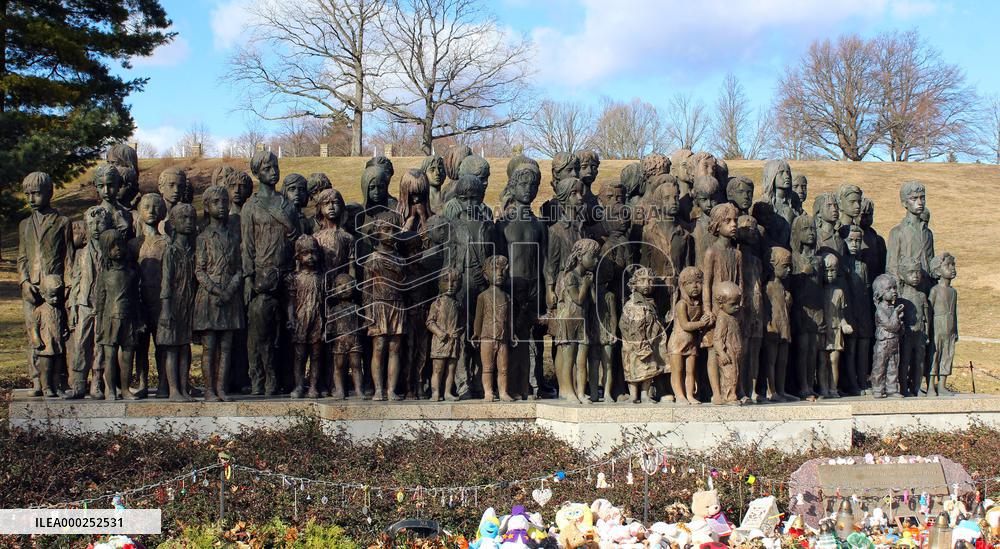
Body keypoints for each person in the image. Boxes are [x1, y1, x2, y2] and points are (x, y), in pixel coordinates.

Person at [18, 172, 74, 397]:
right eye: (27, 195)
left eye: (36, 193)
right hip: (31, 287)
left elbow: (68, 257)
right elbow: (22, 257)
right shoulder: (24, 224)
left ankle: (59, 381)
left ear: (49, 193)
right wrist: (24, 281)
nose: (31, 199)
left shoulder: (62, 222)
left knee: (57, 333)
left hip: (54, 286)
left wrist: (68, 286)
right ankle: (36, 381)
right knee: (34, 333)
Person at [194, 186, 244, 401]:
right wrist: (216, 291)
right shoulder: (203, 237)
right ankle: (209, 389)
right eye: (216, 202)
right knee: (209, 346)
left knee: (226, 347)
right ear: (207, 206)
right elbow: (199, 270)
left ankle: (221, 388)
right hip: (209, 298)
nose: (221, 206)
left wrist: (229, 290)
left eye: (224, 201)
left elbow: (239, 269)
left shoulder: (233, 237)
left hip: (230, 297)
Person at [94, 229, 144, 400]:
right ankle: (111, 391)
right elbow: (100, 301)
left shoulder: (132, 272)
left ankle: (125, 389)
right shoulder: (104, 275)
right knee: (110, 357)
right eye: (112, 246)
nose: (117, 249)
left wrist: (139, 320)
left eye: (120, 244)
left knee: (128, 357)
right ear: (106, 250)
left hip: (129, 319)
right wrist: (99, 325)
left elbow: (136, 298)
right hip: (110, 319)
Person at [285, 235, 325, 399]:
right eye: (305, 253)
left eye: (313, 253)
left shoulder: (322, 278)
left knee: (316, 355)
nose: (310, 257)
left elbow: (325, 303)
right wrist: (291, 319)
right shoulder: (295, 278)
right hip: (301, 319)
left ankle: (313, 386)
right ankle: (299, 385)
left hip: (317, 319)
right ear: (298, 256)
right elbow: (291, 302)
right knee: (299, 355)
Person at [668, 267, 712, 405]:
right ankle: (679, 395)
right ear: (682, 286)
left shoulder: (699, 305)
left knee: (690, 371)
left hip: (691, 343)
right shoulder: (681, 304)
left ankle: (689, 394)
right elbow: (685, 325)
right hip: (678, 342)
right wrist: (701, 323)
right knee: (677, 371)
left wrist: (707, 320)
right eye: (690, 283)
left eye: (698, 282)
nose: (695, 286)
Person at [427, 268, 463, 402]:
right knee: (438, 368)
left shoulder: (458, 305)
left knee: (451, 368)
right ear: (439, 284)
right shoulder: (437, 303)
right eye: (446, 281)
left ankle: (447, 392)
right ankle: (435, 393)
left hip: (453, 341)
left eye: (454, 282)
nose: (450, 285)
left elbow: (463, 323)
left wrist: (459, 331)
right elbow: (430, 322)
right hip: (440, 341)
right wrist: (439, 332)